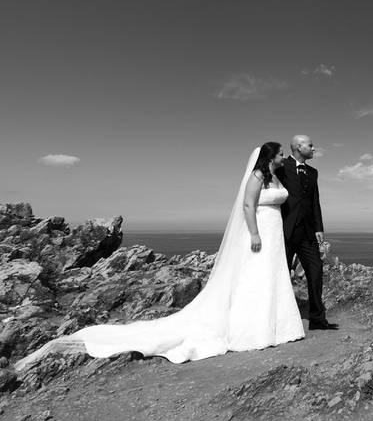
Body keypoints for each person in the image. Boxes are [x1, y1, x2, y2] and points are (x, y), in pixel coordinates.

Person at [14, 143, 305, 371]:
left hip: (275, 231)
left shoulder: (275, 177)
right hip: (260, 230)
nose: (283, 157)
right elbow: (246, 205)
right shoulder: (255, 176)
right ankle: (254, 329)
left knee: (270, 276)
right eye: (280, 153)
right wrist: (254, 234)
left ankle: (277, 325)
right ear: (270, 155)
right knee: (255, 278)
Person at [275, 134, 338, 330]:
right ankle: (278, 319)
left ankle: (317, 320)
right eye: (310, 145)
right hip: (284, 231)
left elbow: (314, 202)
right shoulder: (281, 166)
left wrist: (319, 228)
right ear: (298, 147)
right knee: (281, 274)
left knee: (316, 271)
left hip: (308, 232)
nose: (313, 148)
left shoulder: (313, 172)